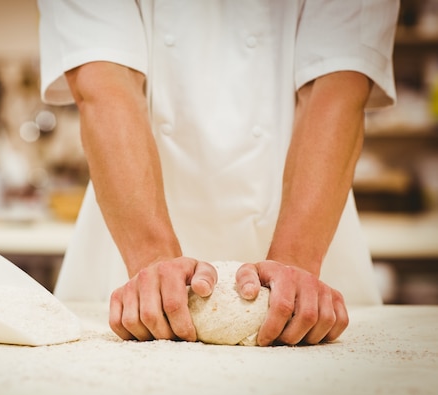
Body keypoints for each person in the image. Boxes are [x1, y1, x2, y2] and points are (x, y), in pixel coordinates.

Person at [37, 0, 398, 346]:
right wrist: (152, 262)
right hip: (130, 253)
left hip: (312, 243)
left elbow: (337, 85)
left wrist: (296, 266)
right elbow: (104, 84)